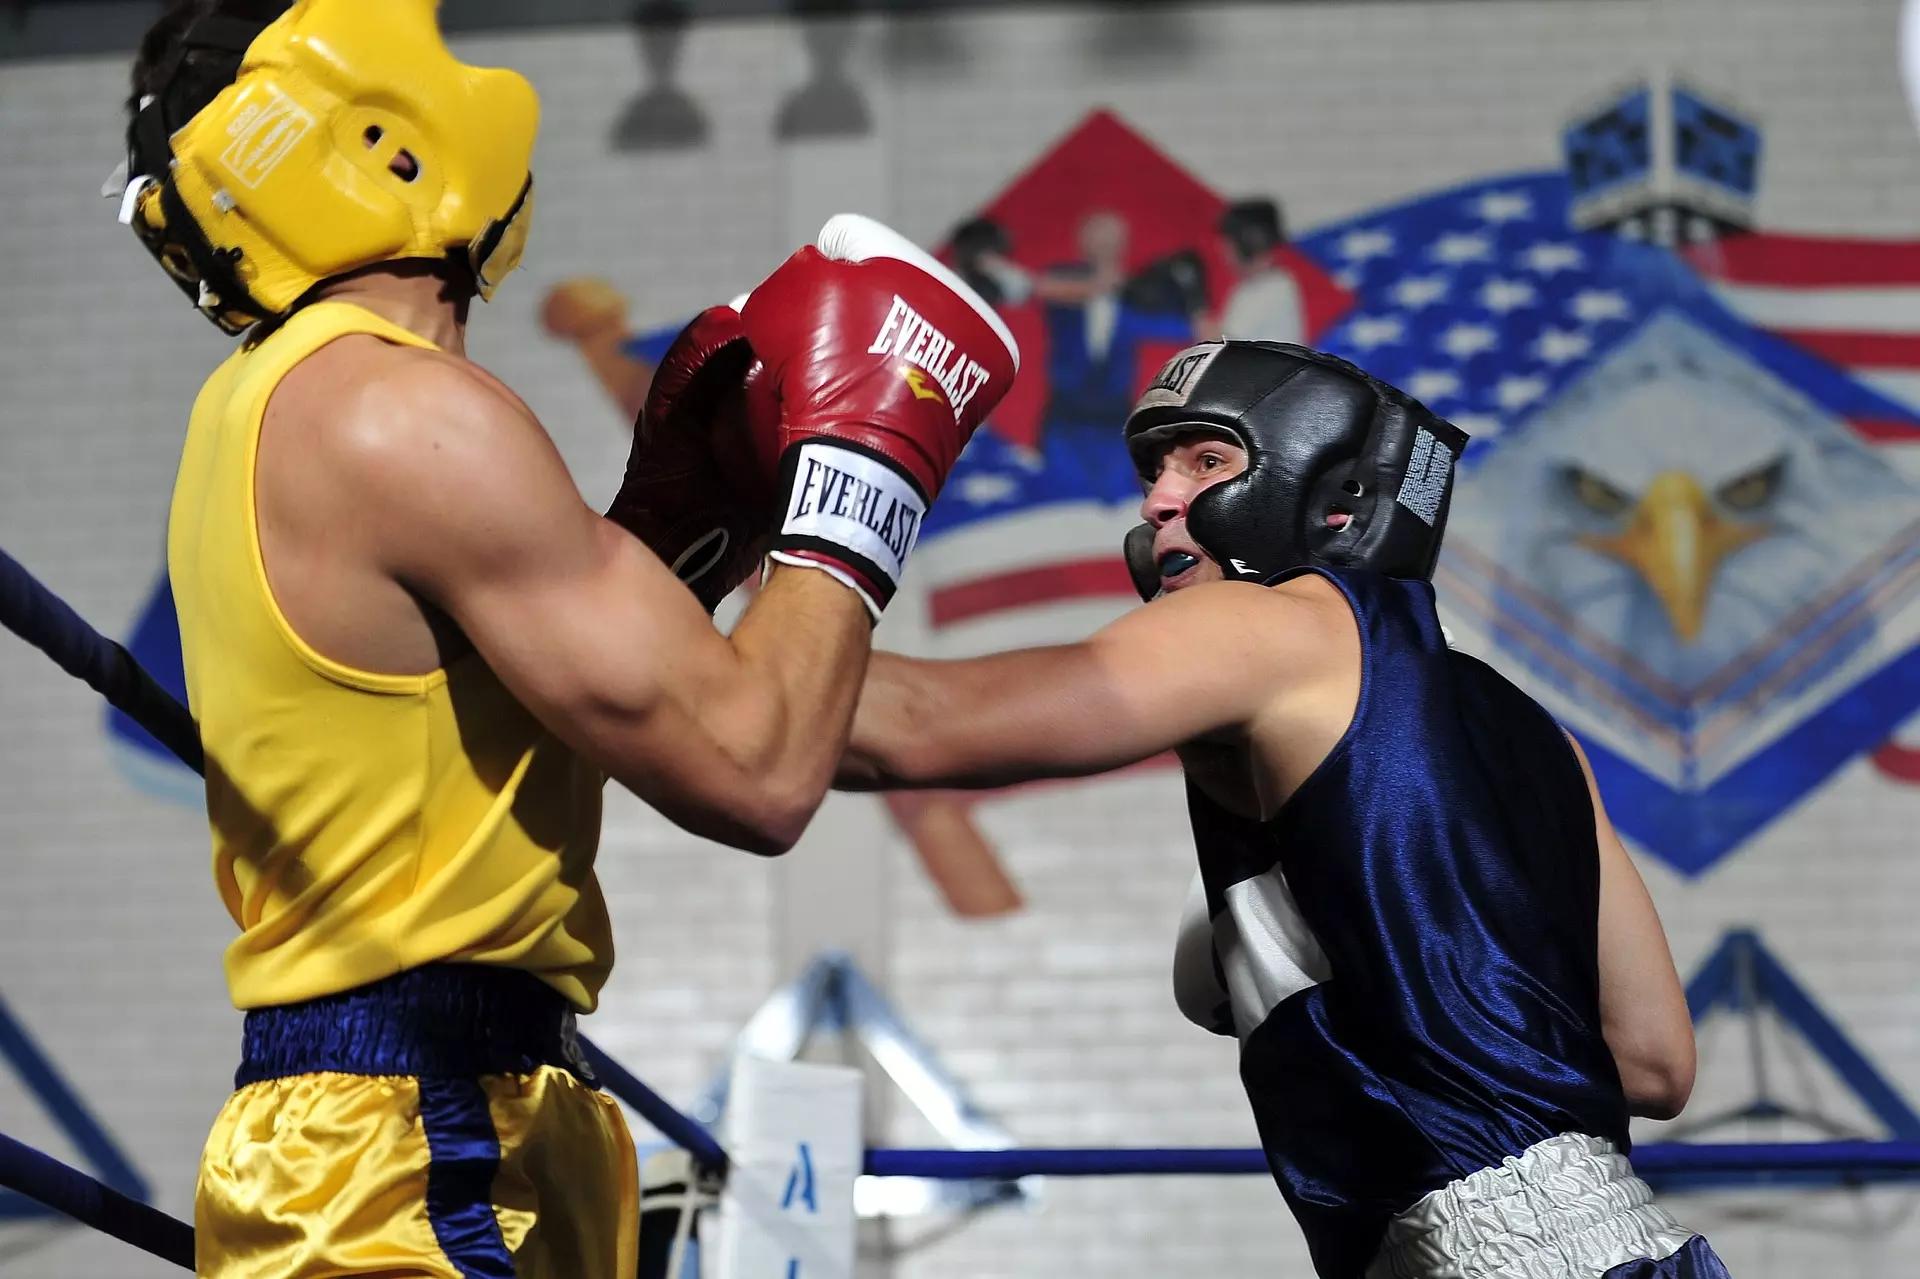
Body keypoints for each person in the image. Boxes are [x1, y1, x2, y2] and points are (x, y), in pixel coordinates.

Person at [116, 2, 1016, 1275]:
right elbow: (758, 770)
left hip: (437, 1113)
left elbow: (471, 715)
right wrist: (868, 465)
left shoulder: (287, 402)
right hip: (416, 1139)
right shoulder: (401, 413)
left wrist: (675, 533)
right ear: (380, 133)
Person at [839, 340, 1730, 1279]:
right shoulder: (1537, 732)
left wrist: (822, 522)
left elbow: (916, 726)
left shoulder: (1275, 627)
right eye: (1154, 469)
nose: (1156, 501)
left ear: (1331, 496)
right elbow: (1655, 1062)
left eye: (1206, 460)